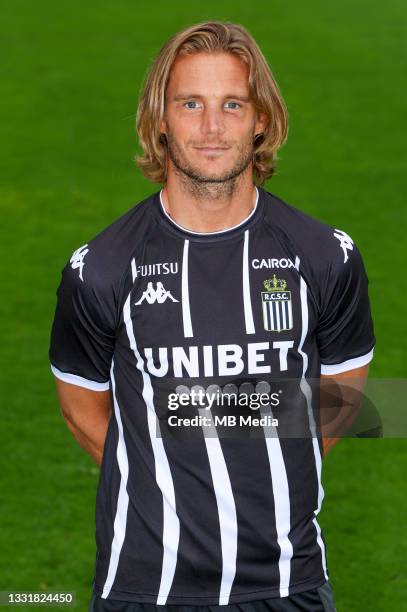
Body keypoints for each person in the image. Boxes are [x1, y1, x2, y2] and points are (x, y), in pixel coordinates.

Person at [49, 21, 375, 612]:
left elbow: (342, 401)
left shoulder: (326, 257)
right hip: (144, 586)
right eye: (190, 103)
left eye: (232, 103)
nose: (211, 127)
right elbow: (80, 411)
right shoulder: (99, 269)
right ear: (160, 122)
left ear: (261, 121)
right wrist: (167, 476)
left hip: (288, 583)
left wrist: (243, 448)